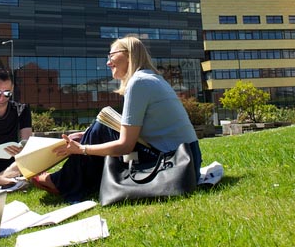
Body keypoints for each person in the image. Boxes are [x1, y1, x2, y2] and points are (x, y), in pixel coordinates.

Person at [32, 36, 202, 203]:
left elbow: (125, 145)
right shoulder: (151, 78)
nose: (108, 62)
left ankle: (62, 182)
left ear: (129, 55)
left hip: (176, 163)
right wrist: (86, 135)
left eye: (111, 55)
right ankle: (72, 180)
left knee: (101, 128)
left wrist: (82, 148)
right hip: (188, 158)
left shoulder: (139, 82)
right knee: (102, 126)